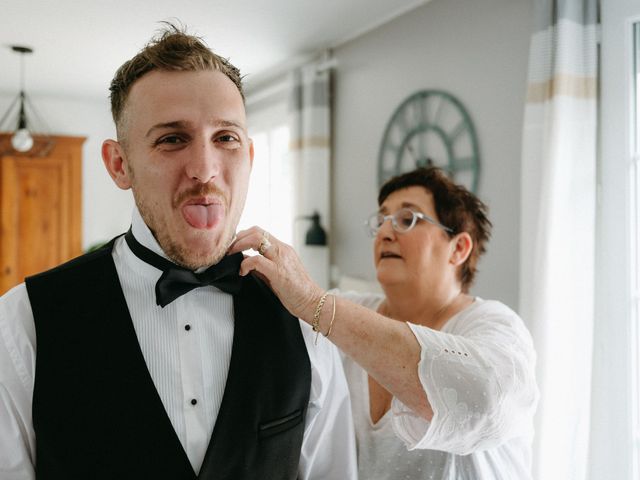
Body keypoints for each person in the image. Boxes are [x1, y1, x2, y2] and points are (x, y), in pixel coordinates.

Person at [0, 24, 357, 480]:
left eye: (225, 138)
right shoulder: (23, 324)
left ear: (248, 155)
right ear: (119, 164)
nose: (205, 170)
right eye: (172, 139)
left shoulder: (305, 325)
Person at [229, 167, 539, 479]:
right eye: (382, 220)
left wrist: (314, 303)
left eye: (408, 220)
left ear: (458, 248)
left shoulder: (497, 327)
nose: (385, 233)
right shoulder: (349, 309)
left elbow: (484, 401)